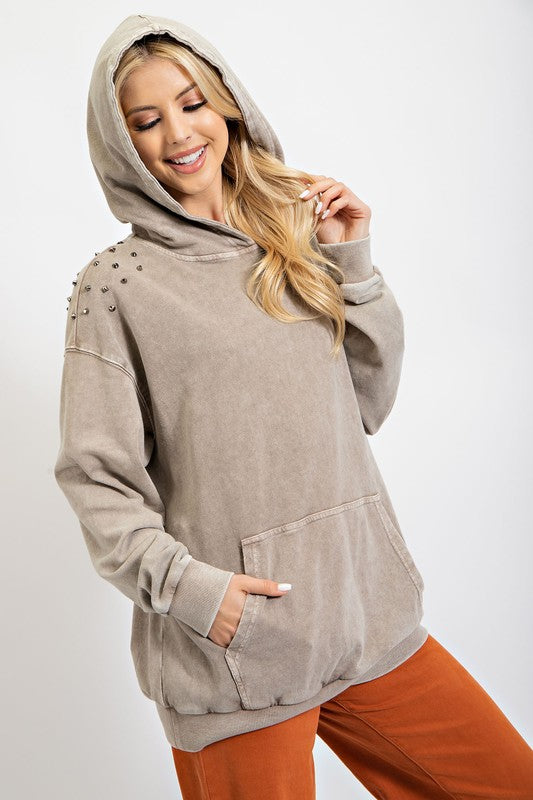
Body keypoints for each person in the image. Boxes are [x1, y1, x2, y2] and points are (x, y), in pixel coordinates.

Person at [54, 13, 533, 800]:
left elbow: (365, 404)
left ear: (227, 106)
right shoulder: (117, 287)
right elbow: (96, 478)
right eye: (146, 120)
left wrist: (349, 259)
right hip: (238, 657)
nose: (179, 133)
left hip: (361, 614)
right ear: (121, 143)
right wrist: (196, 595)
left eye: (192, 103)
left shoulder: (290, 237)